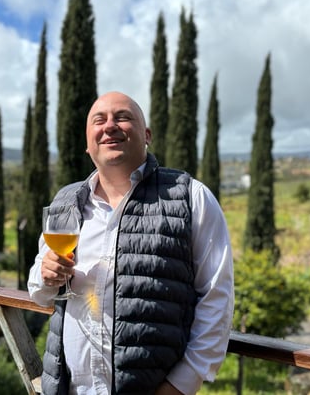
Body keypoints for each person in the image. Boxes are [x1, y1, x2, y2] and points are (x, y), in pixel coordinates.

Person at [28, 91, 234, 395]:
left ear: (146, 134)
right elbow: (38, 289)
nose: (109, 126)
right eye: (99, 120)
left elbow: (217, 297)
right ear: (88, 144)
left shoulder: (191, 197)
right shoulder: (65, 203)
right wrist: (45, 276)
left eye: (122, 117)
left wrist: (182, 383)